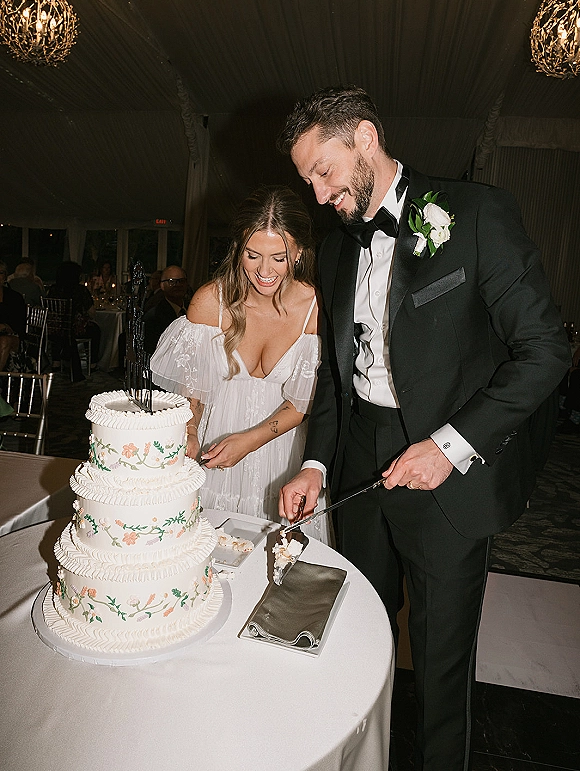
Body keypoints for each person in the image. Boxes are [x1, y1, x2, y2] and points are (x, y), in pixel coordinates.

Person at [276, 85, 570, 771]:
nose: (318, 195)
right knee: (362, 644)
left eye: (323, 171)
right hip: (359, 468)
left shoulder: (474, 214)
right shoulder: (337, 247)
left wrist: (449, 446)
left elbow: (546, 350)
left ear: (366, 139)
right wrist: (317, 464)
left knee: (440, 670)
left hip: (448, 485)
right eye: (307, 180)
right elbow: (335, 375)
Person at [150, 186, 330, 543]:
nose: (264, 271)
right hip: (212, 452)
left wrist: (248, 441)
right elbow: (192, 394)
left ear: (298, 253)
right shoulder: (208, 301)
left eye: (279, 257)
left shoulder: (314, 309)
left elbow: (301, 404)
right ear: (238, 249)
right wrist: (189, 432)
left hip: (281, 455)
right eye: (252, 255)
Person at [48, 261, 101, 381]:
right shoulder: (80, 290)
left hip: (55, 329)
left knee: (62, 328)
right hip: (75, 329)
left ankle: (56, 361)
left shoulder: (54, 289)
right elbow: (91, 312)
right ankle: (92, 363)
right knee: (96, 330)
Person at [143, 265, 189, 355]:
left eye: (181, 281)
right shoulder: (154, 317)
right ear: (162, 286)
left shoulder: (192, 308)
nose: (178, 285)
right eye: (172, 282)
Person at [0, 260, 26, 371]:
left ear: (5, 276)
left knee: (4, 341)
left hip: (13, 337)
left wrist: (5, 326)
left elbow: (19, 325)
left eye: (0, 273)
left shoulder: (14, 297)